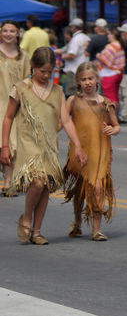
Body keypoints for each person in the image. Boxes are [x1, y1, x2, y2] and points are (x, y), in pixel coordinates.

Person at [1, 47, 87, 244]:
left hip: (49, 146)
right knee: (37, 182)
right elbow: (7, 118)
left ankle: (37, 231)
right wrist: (5, 146)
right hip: (28, 144)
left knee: (46, 186)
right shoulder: (21, 88)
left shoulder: (57, 91)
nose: (46, 75)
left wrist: (79, 146)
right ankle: (27, 216)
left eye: (50, 72)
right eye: (43, 71)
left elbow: (66, 121)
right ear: (33, 67)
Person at [64, 61, 120, 241]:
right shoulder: (73, 101)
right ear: (78, 82)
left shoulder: (106, 103)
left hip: (101, 151)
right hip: (81, 151)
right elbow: (63, 121)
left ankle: (96, 229)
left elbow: (116, 125)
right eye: (83, 79)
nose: (87, 82)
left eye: (90, 78)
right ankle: (77, 220)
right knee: (80, 188)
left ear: (97, 79)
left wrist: (113, 129)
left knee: (97, 187)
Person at [0, 21, 31, 195]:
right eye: (5, 31)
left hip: (15, 105)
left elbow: (28, 80)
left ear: (18, 33)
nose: (8, 34)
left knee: (11, 144)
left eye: (12, 31)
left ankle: (9, 182)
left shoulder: (24, 56)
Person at [97, 28, 125, 112]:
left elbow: (105, 60)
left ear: (113, 35)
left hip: (109, 74)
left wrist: (98, 56)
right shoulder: (120, 44)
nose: (107, 36)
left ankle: (112, 119)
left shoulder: (111, 46)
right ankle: (116, 118)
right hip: (118, 73)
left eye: (109, 34)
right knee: (115, 97)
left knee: (110, 98)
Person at [63, 18, 90, 97]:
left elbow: (72, 55)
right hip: (84, 68)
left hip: (74, 70)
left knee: (71, 94)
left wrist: (64, 56)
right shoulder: (86, 37)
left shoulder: (76, 39)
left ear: (74, 27)